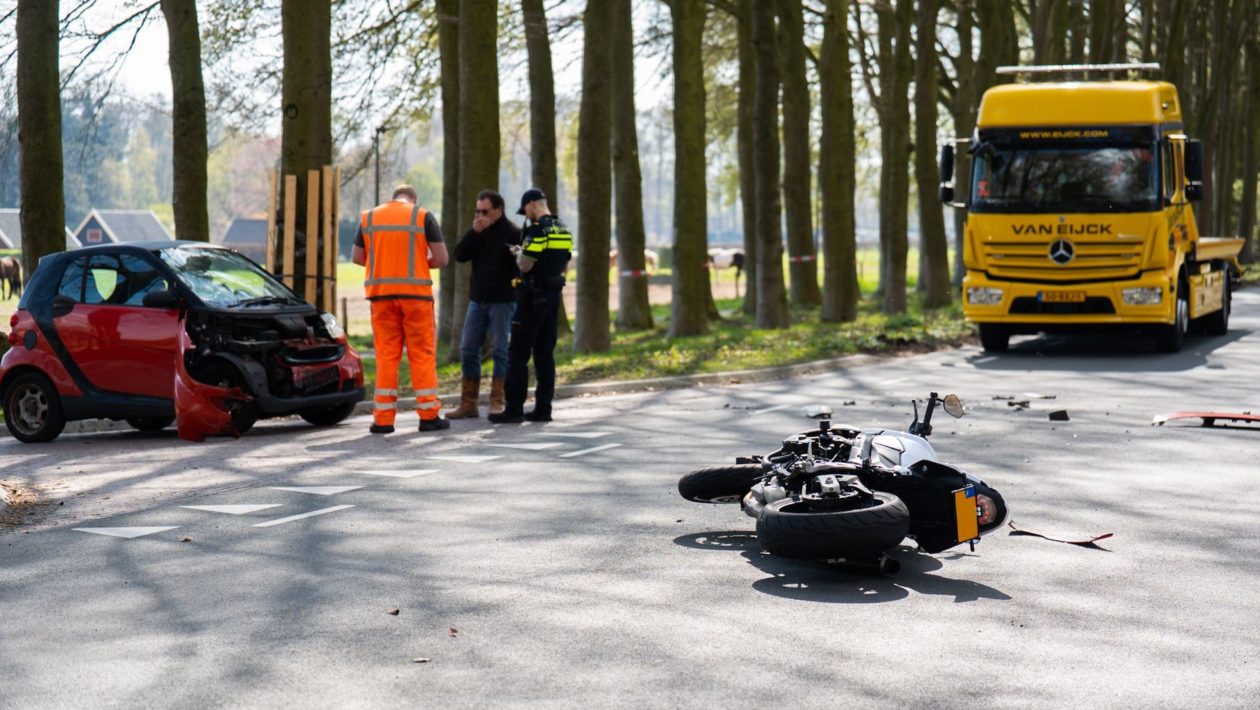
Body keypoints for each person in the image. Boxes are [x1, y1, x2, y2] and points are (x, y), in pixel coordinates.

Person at [351, 184, 450, 434]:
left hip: (381, 297)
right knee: (422, 356)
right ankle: (428, 416)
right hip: (416, 298)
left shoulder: (369, 217)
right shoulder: (422, 216)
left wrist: (382, 263)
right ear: (413, 199)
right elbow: (442, 258)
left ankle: (383, 420)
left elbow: (357, 257)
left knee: (386, 356)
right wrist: (421, 262)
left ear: (393, 198)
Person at [488, 188, 572, 424]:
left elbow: (525, 265)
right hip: (553, 298)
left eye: (525, 210)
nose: (525, 215)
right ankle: (543, 409)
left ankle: (514, 409)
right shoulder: (563, 229)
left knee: (517, 353)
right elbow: (564, 262)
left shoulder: (537, 231)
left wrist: (518, 253)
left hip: (532, 298)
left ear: (533, 204)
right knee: (545, 354)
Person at [445, 190, 522, 419]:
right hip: (477, 300)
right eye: (477, 211)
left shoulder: (513, 233)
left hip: (502, 301)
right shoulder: (478, 232)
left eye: (485, 211)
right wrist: (474, 233)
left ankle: (498, 400)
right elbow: (459, 255)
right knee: (468, 349)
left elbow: (519, 268)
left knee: (500, 350)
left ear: (498, 210)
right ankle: (468, 404)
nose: (480, 215)